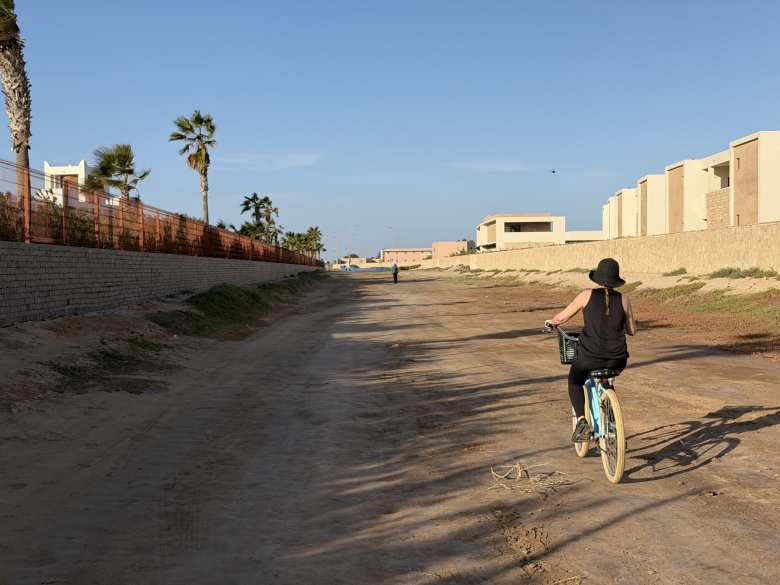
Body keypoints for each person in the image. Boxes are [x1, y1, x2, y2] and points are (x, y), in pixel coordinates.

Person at [546, 258, 636, 442]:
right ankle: (611, 419)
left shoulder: (585, 295)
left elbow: (562, 317)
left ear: (598, 278)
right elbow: (632, 331)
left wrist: (551, 323)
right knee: (607, 378)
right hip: (617, 359)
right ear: (616, 279)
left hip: (589, 357)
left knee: (575, 381)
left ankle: (581, 421)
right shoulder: (624, 300)